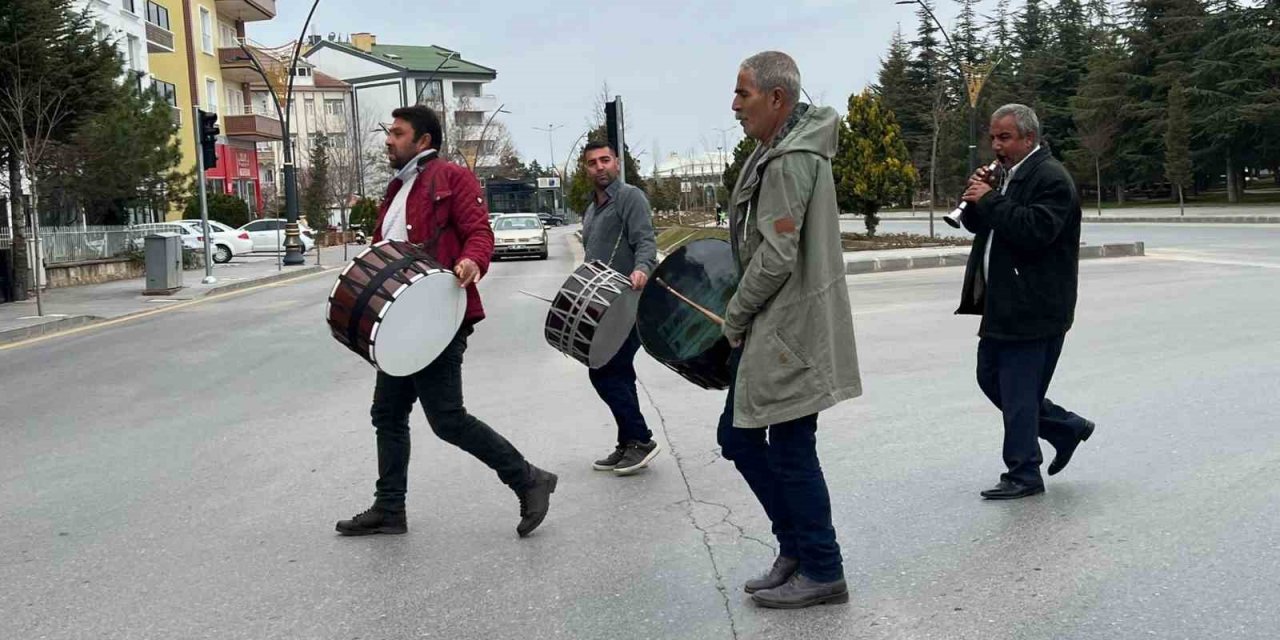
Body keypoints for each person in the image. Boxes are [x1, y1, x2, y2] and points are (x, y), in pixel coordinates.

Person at [336, 106, 557, 538]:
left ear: (423, 140)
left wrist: (472, 260)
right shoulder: (397, 190)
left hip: (439, 318)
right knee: (388, 413)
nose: (388, 140)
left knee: (447, 419)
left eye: (397, 134)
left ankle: (528, 479)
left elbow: (479, 232)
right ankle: (390, 508)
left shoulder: (452, 177)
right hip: (400, 323)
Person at [720, 51, 861, 609]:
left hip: (787, 332)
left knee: (789, 448)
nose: (734, 106)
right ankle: (798, 549)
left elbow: (776, 256)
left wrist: (734, 316)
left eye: (743, 94)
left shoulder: (789, 159)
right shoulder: (777, 150)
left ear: (777, 99)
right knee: (742, 438)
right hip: (778, 328)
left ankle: (822, 566)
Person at [956, 103, 1097, 500]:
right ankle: (1065, 428)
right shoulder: (1007, 176)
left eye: (1005, 138)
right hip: (1004, 302)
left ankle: (1023, 473)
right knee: (991, 379)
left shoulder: (1051, 178)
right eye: (993, 137)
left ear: (1029, 139)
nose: (996, 145)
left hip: (1035, 306)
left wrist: (991, 200)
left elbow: (1035, 232)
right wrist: (974, 199)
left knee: (1018, 394)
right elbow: (977, 223)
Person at [577, 141, 663, 476]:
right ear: (586, 169)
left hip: (630, 301)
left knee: (604, 369)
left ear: (617, 162)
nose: (599, 167)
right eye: (592, 163)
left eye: (605, 160)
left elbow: (645, 239)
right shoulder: (593, 208)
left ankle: (640, 439)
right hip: (603, 305)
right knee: (616, 371)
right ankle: (628, 441)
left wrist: (643, 267)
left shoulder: (630, 197)